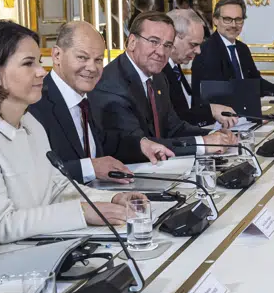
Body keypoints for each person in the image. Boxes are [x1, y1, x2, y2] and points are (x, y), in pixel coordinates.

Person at [0, 20, 147, 276]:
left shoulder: (29, 122)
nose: (41, 71)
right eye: (28, 63)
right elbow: (1, 226)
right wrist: (83, 212)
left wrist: (110, 199)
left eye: (38, 62)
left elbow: (56, 186)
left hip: (20, 254)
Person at [28, 21, 174, 184]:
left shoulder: (86, 97)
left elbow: (103, 141)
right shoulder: (34, 103)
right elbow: (35, 175)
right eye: (82, 58)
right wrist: (90, 168)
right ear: (56, 56)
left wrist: (142, 145)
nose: (92, 67)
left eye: (98, 60)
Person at [90, 12, 238, 157]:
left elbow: (173, 127)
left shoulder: (158, 77)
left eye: (167, 45)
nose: (161, 52)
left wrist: (216, 135)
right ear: (132, 42)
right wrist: (203, 144)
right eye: (154, 42)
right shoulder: (111, 85)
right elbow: (139, 145)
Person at [191, 0, 274, 103]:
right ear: (215, 20)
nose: (233, 25)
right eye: (227, 19)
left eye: (238, 20)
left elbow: (255, 82)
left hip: (244, 113)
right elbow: (215, 94)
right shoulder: (206, 51)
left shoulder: (242, 48)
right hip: (220, 118)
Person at [164, 9, 237, 128]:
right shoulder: (158, 71)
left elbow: (185, 112)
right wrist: (210, 111)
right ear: (173, 38)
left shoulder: (175, 65)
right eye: (193, 44)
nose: (198, 51)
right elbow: (173, 120)